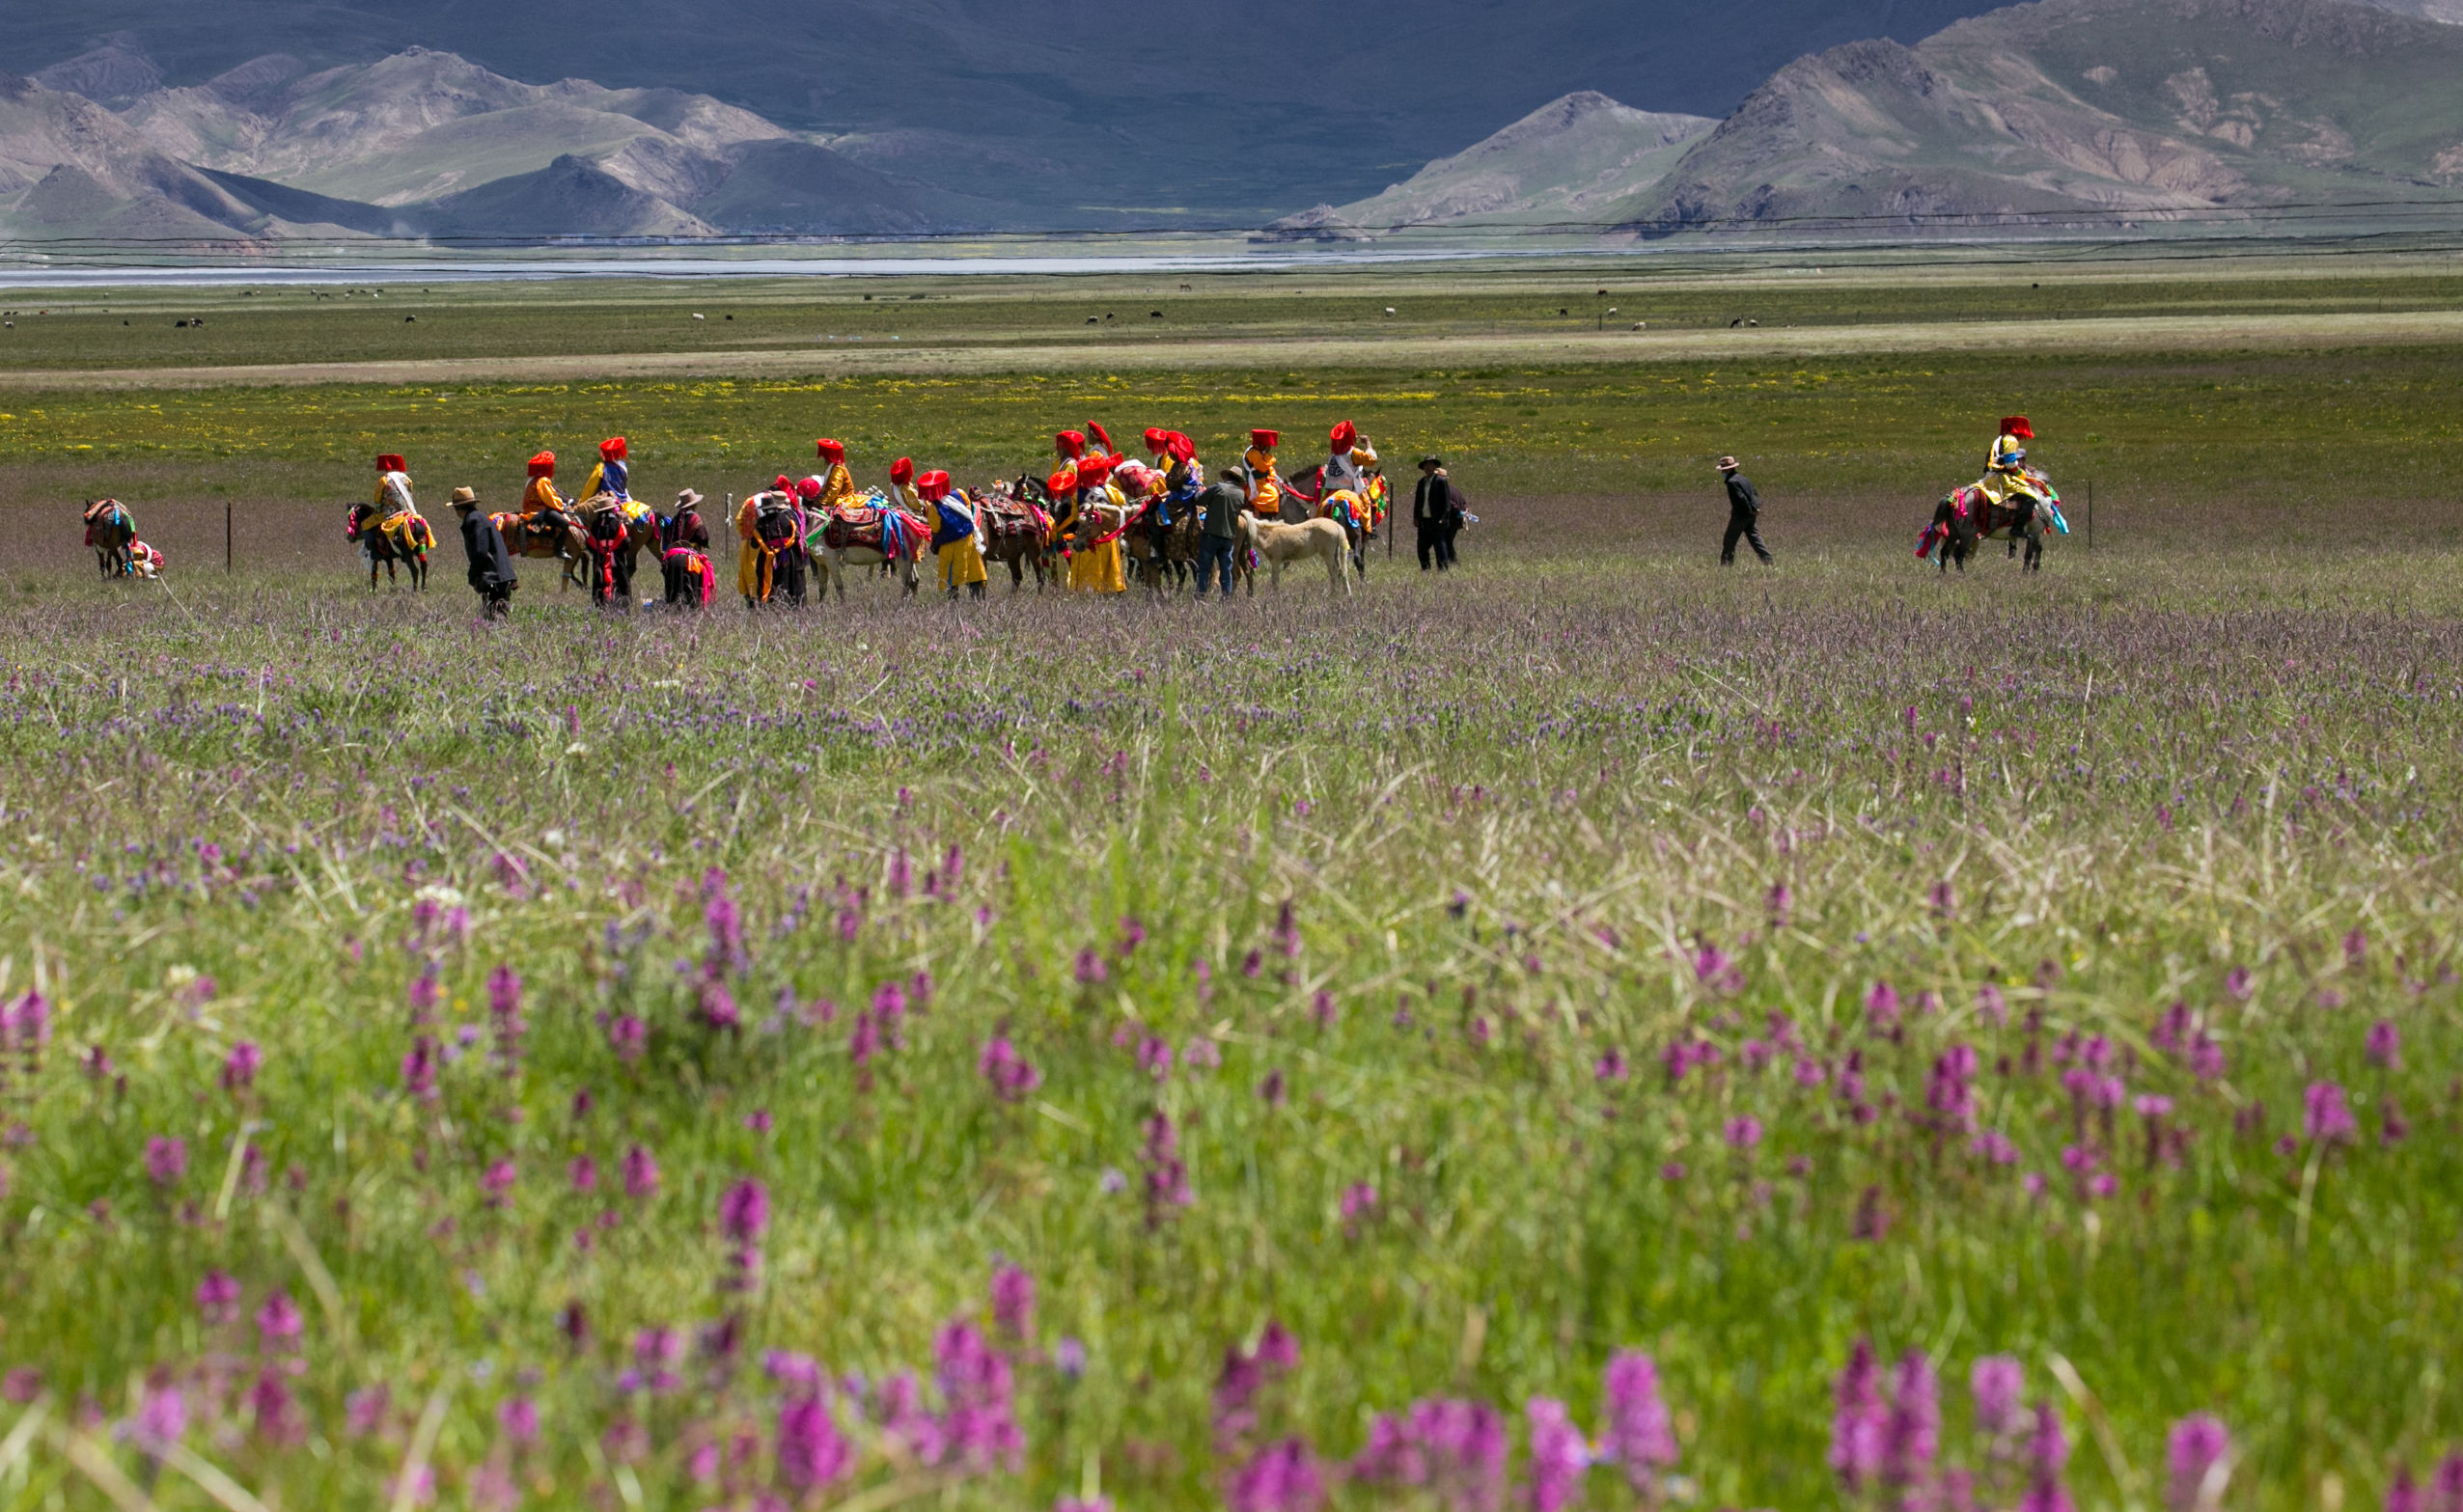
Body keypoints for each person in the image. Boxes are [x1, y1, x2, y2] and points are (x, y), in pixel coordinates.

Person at [922, 471, 986, 599]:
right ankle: (977, 601)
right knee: (974, 571)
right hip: (969, 541)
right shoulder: (961, 493)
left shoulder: (934, 507)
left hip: (949, 546)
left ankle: (953, 605)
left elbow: (935, 528)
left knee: (950, 577)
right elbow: (969, 508)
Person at [453, 485, 514, 619]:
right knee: (495, 613)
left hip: (493, 576)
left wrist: (472, 575)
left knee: (494, 615)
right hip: (500, 575)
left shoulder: (473, 521)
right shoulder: (480, 518)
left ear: (458, 508)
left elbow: (480, 552)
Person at [1194, 465, 1245, 597]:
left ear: (1227, 476)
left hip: (1211, 533)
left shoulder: (1218, 487)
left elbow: (1199, 500)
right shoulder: (1241, 494)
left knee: (1205, 567)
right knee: (1226, 569)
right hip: (1229, 536)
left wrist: (1199, 490)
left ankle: (1201, 595)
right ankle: (1226, 596)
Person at [661, 488, 714, 608]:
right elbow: (703, 538)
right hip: (689, 560)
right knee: (693, 590)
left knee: (673, 591)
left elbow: (669, 538)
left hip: (672, 558)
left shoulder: (675, 519)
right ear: (694, 504)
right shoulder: (695, 518)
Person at [1717, 455, 1773, 566]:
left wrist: (1748, 511)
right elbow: (1754, 493)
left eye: (1723, 469)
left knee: (1729, 540)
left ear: (1728, 469)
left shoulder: (1732, 482)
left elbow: (1741, 499)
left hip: (1741, 515)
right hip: (1751, 514)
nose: (1722, 471)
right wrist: (1755, 509)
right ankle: (1768, 561)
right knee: (1754, 538)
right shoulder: (1743, 478)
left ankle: (1726, 565)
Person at [1978, 415, 2038, 508]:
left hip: (1990, 476)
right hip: (2002, 478)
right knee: (2031, 497)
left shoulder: (2000, 438)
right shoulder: (2011, 440)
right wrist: (2021, 474)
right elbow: (2010, 464)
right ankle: (2019, 522)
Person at [1413, 455, 1460, 572]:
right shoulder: (1421, 482)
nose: (1428, 467)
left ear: (1435, 467)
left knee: (1440, 545)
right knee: (1422, 547)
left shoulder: (1441, 481)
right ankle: (1425, 568)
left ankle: (1443, 569)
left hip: (1437, 520)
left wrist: (1444, 518)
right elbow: (1418, 500)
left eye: (1431, 465)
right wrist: (1415, 516)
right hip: (1424, 519)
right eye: (1426, 465)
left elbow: (1446, 502)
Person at [518, 452, 567, 547]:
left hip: (529, 510)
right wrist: (562, 506)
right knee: (564, 523)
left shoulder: (532, 480)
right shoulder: (542, 481)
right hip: (539, 512)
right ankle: (559, 549)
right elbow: (550, 499)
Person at [1243, 428, 1288, 522]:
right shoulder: (1253, 453)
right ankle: (1266, 517)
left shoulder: (1259, 452)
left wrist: (1276, 479)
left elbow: (1269, 470)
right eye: (1268, 445)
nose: (1269, 447)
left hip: (1262, 481)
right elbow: (1263, 467)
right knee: (1272, 495)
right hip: (1256, 483)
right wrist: (1270, 457)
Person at [581, 437, 630, 503]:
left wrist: (581, 502)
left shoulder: (601, 467)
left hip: (604, 501)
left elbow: (590, 488)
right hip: (621, 501)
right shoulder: (623, 467)